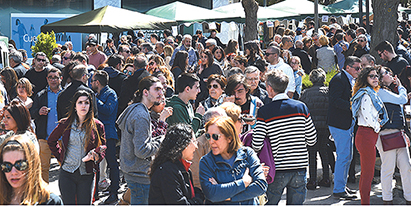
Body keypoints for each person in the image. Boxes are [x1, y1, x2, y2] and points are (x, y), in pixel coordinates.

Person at [252, 69, 317, 205]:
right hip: (299, 167)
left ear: (269, 88)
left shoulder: (265, 111)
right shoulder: (301, 107)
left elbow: (256, 144)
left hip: (278, 168)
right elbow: (312, 139)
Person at [48, 90, 106, 205]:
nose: (83, 106)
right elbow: (51, 140)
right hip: (67, 173)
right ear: (75, 105)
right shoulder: (65, 124)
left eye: (86, 103)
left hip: (87, 174)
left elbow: (103, 147)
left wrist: (96, 156)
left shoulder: (97, 125)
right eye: (80, 102)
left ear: (91, 105)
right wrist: (61, 157)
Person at [116, 76, 164, 204]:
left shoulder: (136, 109)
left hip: (134, 172)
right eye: (157, 89)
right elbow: (142, 151)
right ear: (145, 92)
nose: (161, 93)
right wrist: (162, 140)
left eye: (162, 89)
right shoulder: (141, 115)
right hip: (139, 175)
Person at [199, 116, 267, 204]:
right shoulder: (206, 162)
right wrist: (243, 183)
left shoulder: (248, 154)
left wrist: (226, 196)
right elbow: (211, 194)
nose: (211, 141)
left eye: (215, 137)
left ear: (229, 138)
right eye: (208, 136)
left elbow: (261, 186)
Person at [351, 66, 388, 205]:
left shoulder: (369, 93)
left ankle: (364, 202)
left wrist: (376, 123)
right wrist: (378, 125)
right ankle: (365, 203)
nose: (375, 78)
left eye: (376, 76)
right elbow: (368, 117)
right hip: (366, 135)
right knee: (367, 174)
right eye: (371, 76)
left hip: (367, 135)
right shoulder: (366, 94)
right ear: (365, 79)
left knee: (367, 173)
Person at [328, 56, 362, 199]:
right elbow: (334, 100)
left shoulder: (348, 78)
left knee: (347, 157)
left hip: (346, 123)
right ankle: (338, 190)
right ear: (348, 67)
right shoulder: (339, 79)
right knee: (343, 157)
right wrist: (352, 105)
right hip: (340, 123)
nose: (359, 71)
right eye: (357, 68)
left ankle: (342, 186)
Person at [377, 66, 411, 204]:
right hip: (386, 133)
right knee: (388, 168)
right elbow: (402, 99)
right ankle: (387, 198)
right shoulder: (380, 91)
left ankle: (408, 197)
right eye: (387, 73)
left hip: (397, 132)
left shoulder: (387, 91)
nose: (390, 74)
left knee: (406, 166)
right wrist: (401, 86)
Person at [149, 123, 205, 204]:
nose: (196, 146)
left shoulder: (182, 169)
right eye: (193, 141)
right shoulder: (167, 172)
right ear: (182, 144)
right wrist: (199, 198)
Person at [0, 135, 62, 205]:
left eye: (20, 165)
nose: (13, 172)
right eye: (7, 166)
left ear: (32, 165)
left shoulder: (50, 201)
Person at [300, 68, 335, 190]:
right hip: (325, 126)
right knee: (324, 151)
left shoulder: (306, 93)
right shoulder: (329, 93)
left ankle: (312, 180)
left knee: (312, 153)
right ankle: (326, 177)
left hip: (311, 127)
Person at [90, 70, 120, 204]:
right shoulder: (98, 94)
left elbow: (108, 110)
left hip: (108, 133)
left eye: (92, 81)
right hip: (96, 133)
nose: (90, 83)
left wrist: (95, 100)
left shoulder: (110, 94)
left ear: (97, 82)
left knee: (112, 163)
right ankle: (94, 192)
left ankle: (114, 191)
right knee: (95, 163)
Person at [29, 67, 62, 183]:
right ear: (47, 79)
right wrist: (38, 112)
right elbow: (32, 113)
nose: (53, 80)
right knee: (43, 168)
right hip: (45, 137)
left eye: (56, 78)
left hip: (63, 138)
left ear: (61, 79)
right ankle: (44, 197)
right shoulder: (40, 95)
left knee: (66, 167)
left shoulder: (65, 94)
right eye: (50, 78)